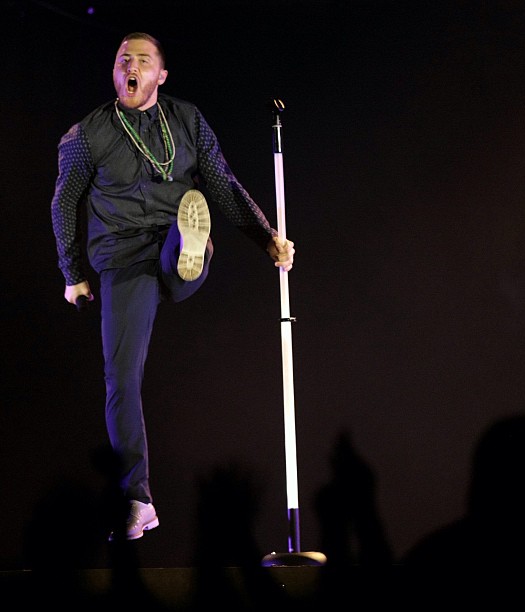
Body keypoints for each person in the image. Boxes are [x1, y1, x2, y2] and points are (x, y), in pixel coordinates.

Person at [50, 32, 294, 541]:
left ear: (161, 75)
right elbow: (63, 204)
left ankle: (190, 247)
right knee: (121, 378)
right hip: (122, 259)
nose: (129, 68)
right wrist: (72, 272)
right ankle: (137, 499)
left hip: (170, 241)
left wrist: (267, 238)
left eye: (141, 61)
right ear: (115, 73)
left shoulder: (187, 120)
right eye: (122, 61)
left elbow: (224, 183)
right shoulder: (85, 136)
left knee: (187, 240)